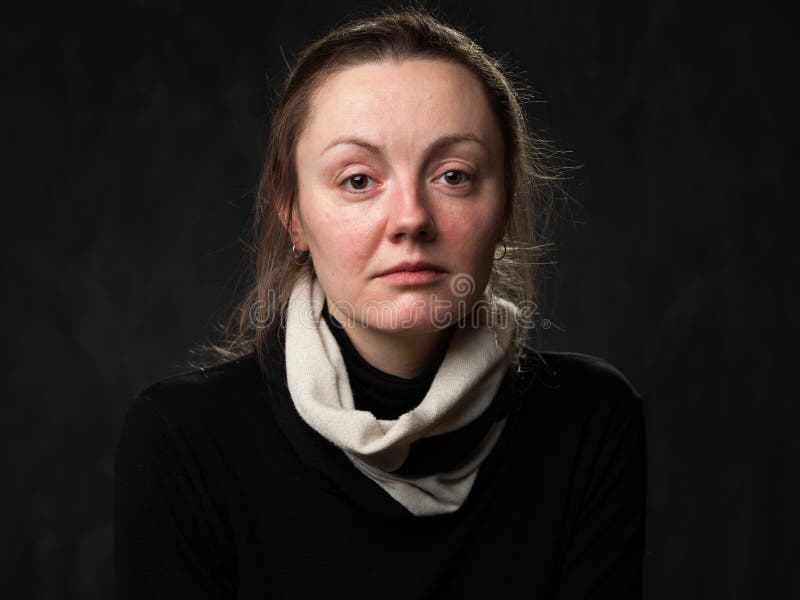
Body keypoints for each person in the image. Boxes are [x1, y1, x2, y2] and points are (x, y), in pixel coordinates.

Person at [113, 7, 647, 599]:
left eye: (453, 175)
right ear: (293, 213)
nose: (412, 219)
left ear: (505, 206)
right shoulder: (184, 440)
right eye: (359, 180)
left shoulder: (588, 421)